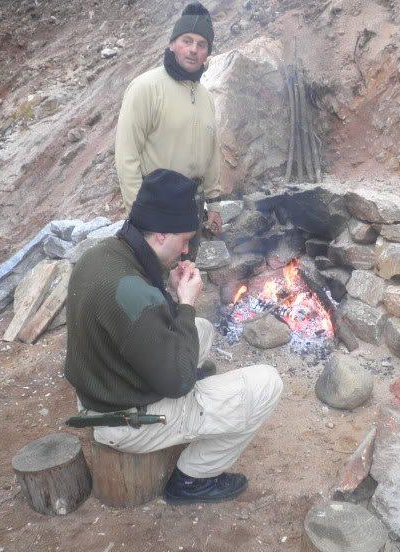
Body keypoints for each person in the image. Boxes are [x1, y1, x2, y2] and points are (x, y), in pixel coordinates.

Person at [64, 169, 282, 504]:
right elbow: (178, 382)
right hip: (124, 418)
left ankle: (186, 401)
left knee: (202, 330)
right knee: (267, 384)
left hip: (104, 383)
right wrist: (186, 303)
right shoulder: (133, 292)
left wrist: (171, 292)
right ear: (162, 235)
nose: (185, 251)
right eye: (184, 240)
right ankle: (192, 480)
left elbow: (140, 317)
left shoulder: (105, 254)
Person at [114, 2, 223, 255]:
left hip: (193, 208)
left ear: (207, 53)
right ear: (172, 44)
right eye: (187, 41)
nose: (193, 49)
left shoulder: (206, 97)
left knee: (186, 271)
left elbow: (212, 154)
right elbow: (126, 157)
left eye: (202, 44)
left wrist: (214, 204)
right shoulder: (145, 88)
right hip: (157, 205)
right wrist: (140, 215)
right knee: (156, 275)